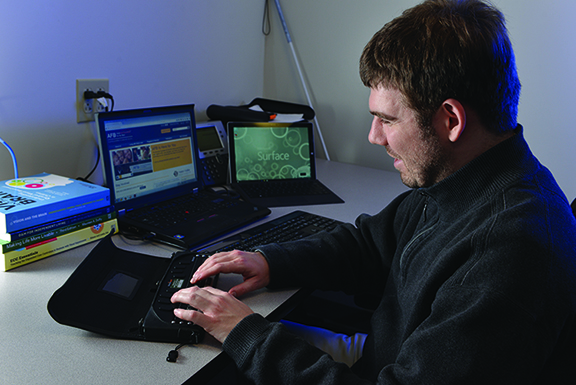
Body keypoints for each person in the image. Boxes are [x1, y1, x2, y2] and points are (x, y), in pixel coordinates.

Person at [171, 0, 576, 383]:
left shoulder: (510, 250)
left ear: (451, 119)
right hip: (388, 354)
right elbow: (369, 245)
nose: (373, 136)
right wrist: (269, 262)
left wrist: (246, 334)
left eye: (387, 119)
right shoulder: (460, 178)